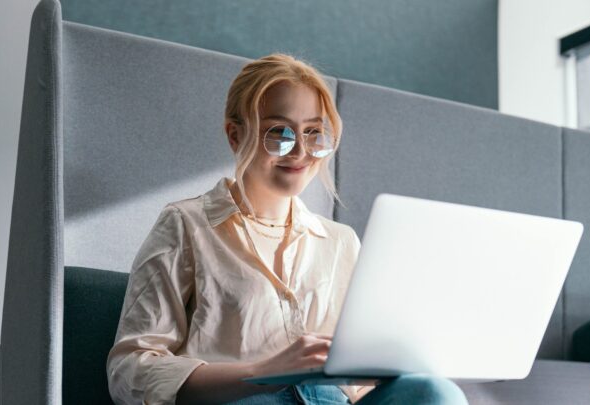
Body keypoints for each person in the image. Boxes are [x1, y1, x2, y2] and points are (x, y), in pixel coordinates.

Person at [106, 53, 469, 405]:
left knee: (437, 394)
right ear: (235, 136)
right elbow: (129, 370)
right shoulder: (186, 224)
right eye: (279, 133)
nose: (300, 151)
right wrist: (261, 371)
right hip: (242, 399)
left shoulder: (341, 242)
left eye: (313, 133)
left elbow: (359, 383)